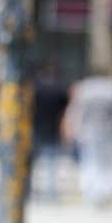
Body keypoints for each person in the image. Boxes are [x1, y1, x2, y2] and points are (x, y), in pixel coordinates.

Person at [62, 69, 112, 207]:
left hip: (88, 132)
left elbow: (76, 113)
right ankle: (102, 192)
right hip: (106, 132)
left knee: (90, 162)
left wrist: (73, 131)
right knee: (105, 164)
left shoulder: (85, 89)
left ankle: (92, 193)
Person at [30, 62, 69, 200]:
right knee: (51, 164)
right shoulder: (60, 90)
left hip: (36, 128)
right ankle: (51, 193)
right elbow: (64, 112)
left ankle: (29, 191)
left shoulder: (35, 89)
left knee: (32, 163)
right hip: (53, 129)